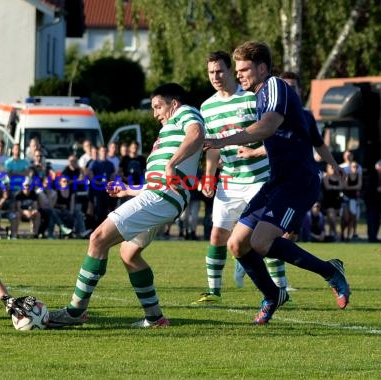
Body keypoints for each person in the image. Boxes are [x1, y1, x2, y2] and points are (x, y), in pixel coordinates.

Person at [204, 41, 350, 325]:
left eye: (244, 69)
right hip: (276, 182)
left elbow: (268, 127)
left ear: (262, 68)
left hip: (298, 182)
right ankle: (273, 295)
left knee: (260, 242)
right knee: (237, 244)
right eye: (238, 69)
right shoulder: (260, 96)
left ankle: (330, 271)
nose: (240, 74)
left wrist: (221, 141)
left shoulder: (274, 87)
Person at [48, 83, 205, 328]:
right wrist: (128, 190)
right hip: (162, 197)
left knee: (98, 238)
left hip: (163, 197)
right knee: (129, 253)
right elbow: (159, 179)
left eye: (158, 107)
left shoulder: (186, 112)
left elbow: (197, 134)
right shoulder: (167, 134)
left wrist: (172, 163)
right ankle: (154, 318)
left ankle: (75, 311)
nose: (155, 114)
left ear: (174, 104)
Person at [193, 51, 288, 304]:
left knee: (264, 236)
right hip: (229, 181)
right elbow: (212, 146)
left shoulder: (251, 99)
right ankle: (214, 292)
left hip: (259, 178)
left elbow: (271, 133)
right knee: (216, 235)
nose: (215, 76)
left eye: (220, 71)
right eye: (211, 72)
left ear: (230, 71)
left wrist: (255, 152)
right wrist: (209, 176)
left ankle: (281, 286)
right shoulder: (207, 106)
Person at [321, 163, 344, 240]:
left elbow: (341, 186)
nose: (333, 169)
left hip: (336, 201)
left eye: (334, 168)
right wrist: (336, 187)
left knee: (332, 220)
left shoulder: (338, 178)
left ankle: (331, 235)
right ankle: (336, 234)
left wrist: (333, 187)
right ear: (327, 168)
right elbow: (328, 187)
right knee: (332, 218)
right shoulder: (326, 177)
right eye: (331, 168)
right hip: (328, 201)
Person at [341, 161, 362, 241]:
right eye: (353, 167)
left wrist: (351, 187)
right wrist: (354, 187)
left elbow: (359, 186)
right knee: (345, 218)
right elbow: (345, 187)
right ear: (350, 168)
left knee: (352, 218)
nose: (355, 168)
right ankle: (342, 233)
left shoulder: (358, 176)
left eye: (356, 167)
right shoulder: (347, 176)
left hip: (354, 200)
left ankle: (348, 236)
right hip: (346, 199)